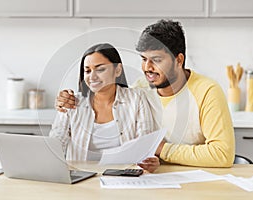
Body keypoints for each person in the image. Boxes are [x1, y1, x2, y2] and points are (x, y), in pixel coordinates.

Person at [55, 20, 235, 168]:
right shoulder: (141, 89)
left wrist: (161, 149)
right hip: (153, 177)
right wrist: (64, 101)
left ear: (178, 60)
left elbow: (222, 154)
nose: (147, 68)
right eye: (143, 59)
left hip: (195, 177)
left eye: (156, 60)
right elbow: (111, 97)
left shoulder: (207, 91)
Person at [50, 43, 161, 173]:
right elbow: (55, 145)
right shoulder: (72, 102)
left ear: (117, 70)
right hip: (81, 177)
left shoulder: (137, 98)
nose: (92, 76)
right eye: (87, 71)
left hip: (124, 178)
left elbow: (144, 145)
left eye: (100, 69)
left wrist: (149, 161)